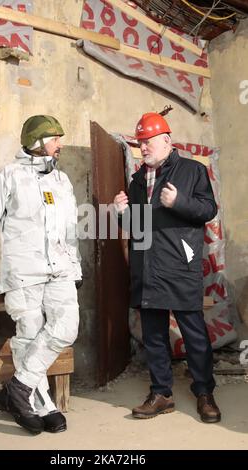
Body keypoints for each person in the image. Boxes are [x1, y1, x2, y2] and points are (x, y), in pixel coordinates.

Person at [0, 115, 82, 435]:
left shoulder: (62, 181)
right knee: (29, 333)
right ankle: (40, 403)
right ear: (36, 141)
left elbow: (69, 232)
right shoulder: (9, 176)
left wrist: (76, 266)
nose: (60, 144)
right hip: (22, 273)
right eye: (55, 138)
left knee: (66, 327)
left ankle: (17, 389)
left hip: (59, 270)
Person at [113, 112, 221, 423]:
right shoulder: (136, 180)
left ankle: (204, 392)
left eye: (148, 142)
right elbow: (139, 227)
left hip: (180, 266)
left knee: (195, 334)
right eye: (140, 143)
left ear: (166, 141)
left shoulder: (192, 171)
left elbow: (208, 210)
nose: (143, 147)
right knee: (155, 335)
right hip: (148, 267)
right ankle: (162, 393)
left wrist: (180, 202)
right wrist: (121, 214)